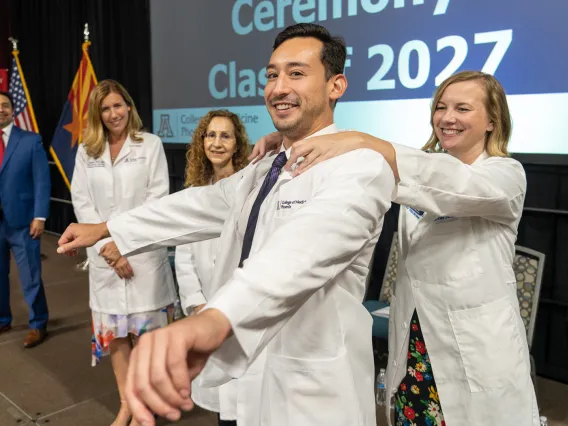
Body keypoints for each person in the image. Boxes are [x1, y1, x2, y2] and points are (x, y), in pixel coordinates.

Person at [57, 23, 395, 426]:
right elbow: (200, 204)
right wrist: (109, 227)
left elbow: (303, 252)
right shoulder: (268, 166)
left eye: (296, 73)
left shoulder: (360, 167)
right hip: (253, 376)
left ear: (336, 85)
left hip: (311, 391)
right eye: (272, 75)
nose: (279, 87)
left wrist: (215, 318)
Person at [252, 70, 538, 426]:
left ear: (492, 121)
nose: (447, 118)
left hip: (477, 350)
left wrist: (361, 139)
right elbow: (353, 167)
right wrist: (285, 144)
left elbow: (455, 186)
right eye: (441, 107)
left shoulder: (505, 175)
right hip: (418, 344)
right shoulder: (418, 166)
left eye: (462, 109)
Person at [71, 79, 176, 426]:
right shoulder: (87, 151)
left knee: (145, 339)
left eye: (118, 105)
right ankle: (127, 404)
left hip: (143, 257)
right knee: (117, 338)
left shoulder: (151, 144)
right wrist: (107, 249)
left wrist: (124, 244)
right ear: (97, 115)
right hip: (106, 262)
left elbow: (157, 201)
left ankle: (145, 406)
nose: (113, 113)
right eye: (105, 108)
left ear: (129, 107)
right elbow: (83, 204)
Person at [175, 109, 250, 426]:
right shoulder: (192, 194)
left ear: (237, 144)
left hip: (244, 311)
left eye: (226, 135)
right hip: (206, 309)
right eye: (211, 135)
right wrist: (197, 303)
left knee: (249, 398)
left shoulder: (251, 190)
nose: (217, 142)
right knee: (223, 408)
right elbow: (183, 256)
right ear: (201, 141)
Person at [0, 91, 50, 348]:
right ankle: (3, 319)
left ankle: (38, 323)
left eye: (5, 105)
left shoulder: (30, 141)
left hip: (23, 222)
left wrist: (39, 216)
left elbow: (42, 180)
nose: (1, 110)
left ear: (13, 109)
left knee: (30, 276)